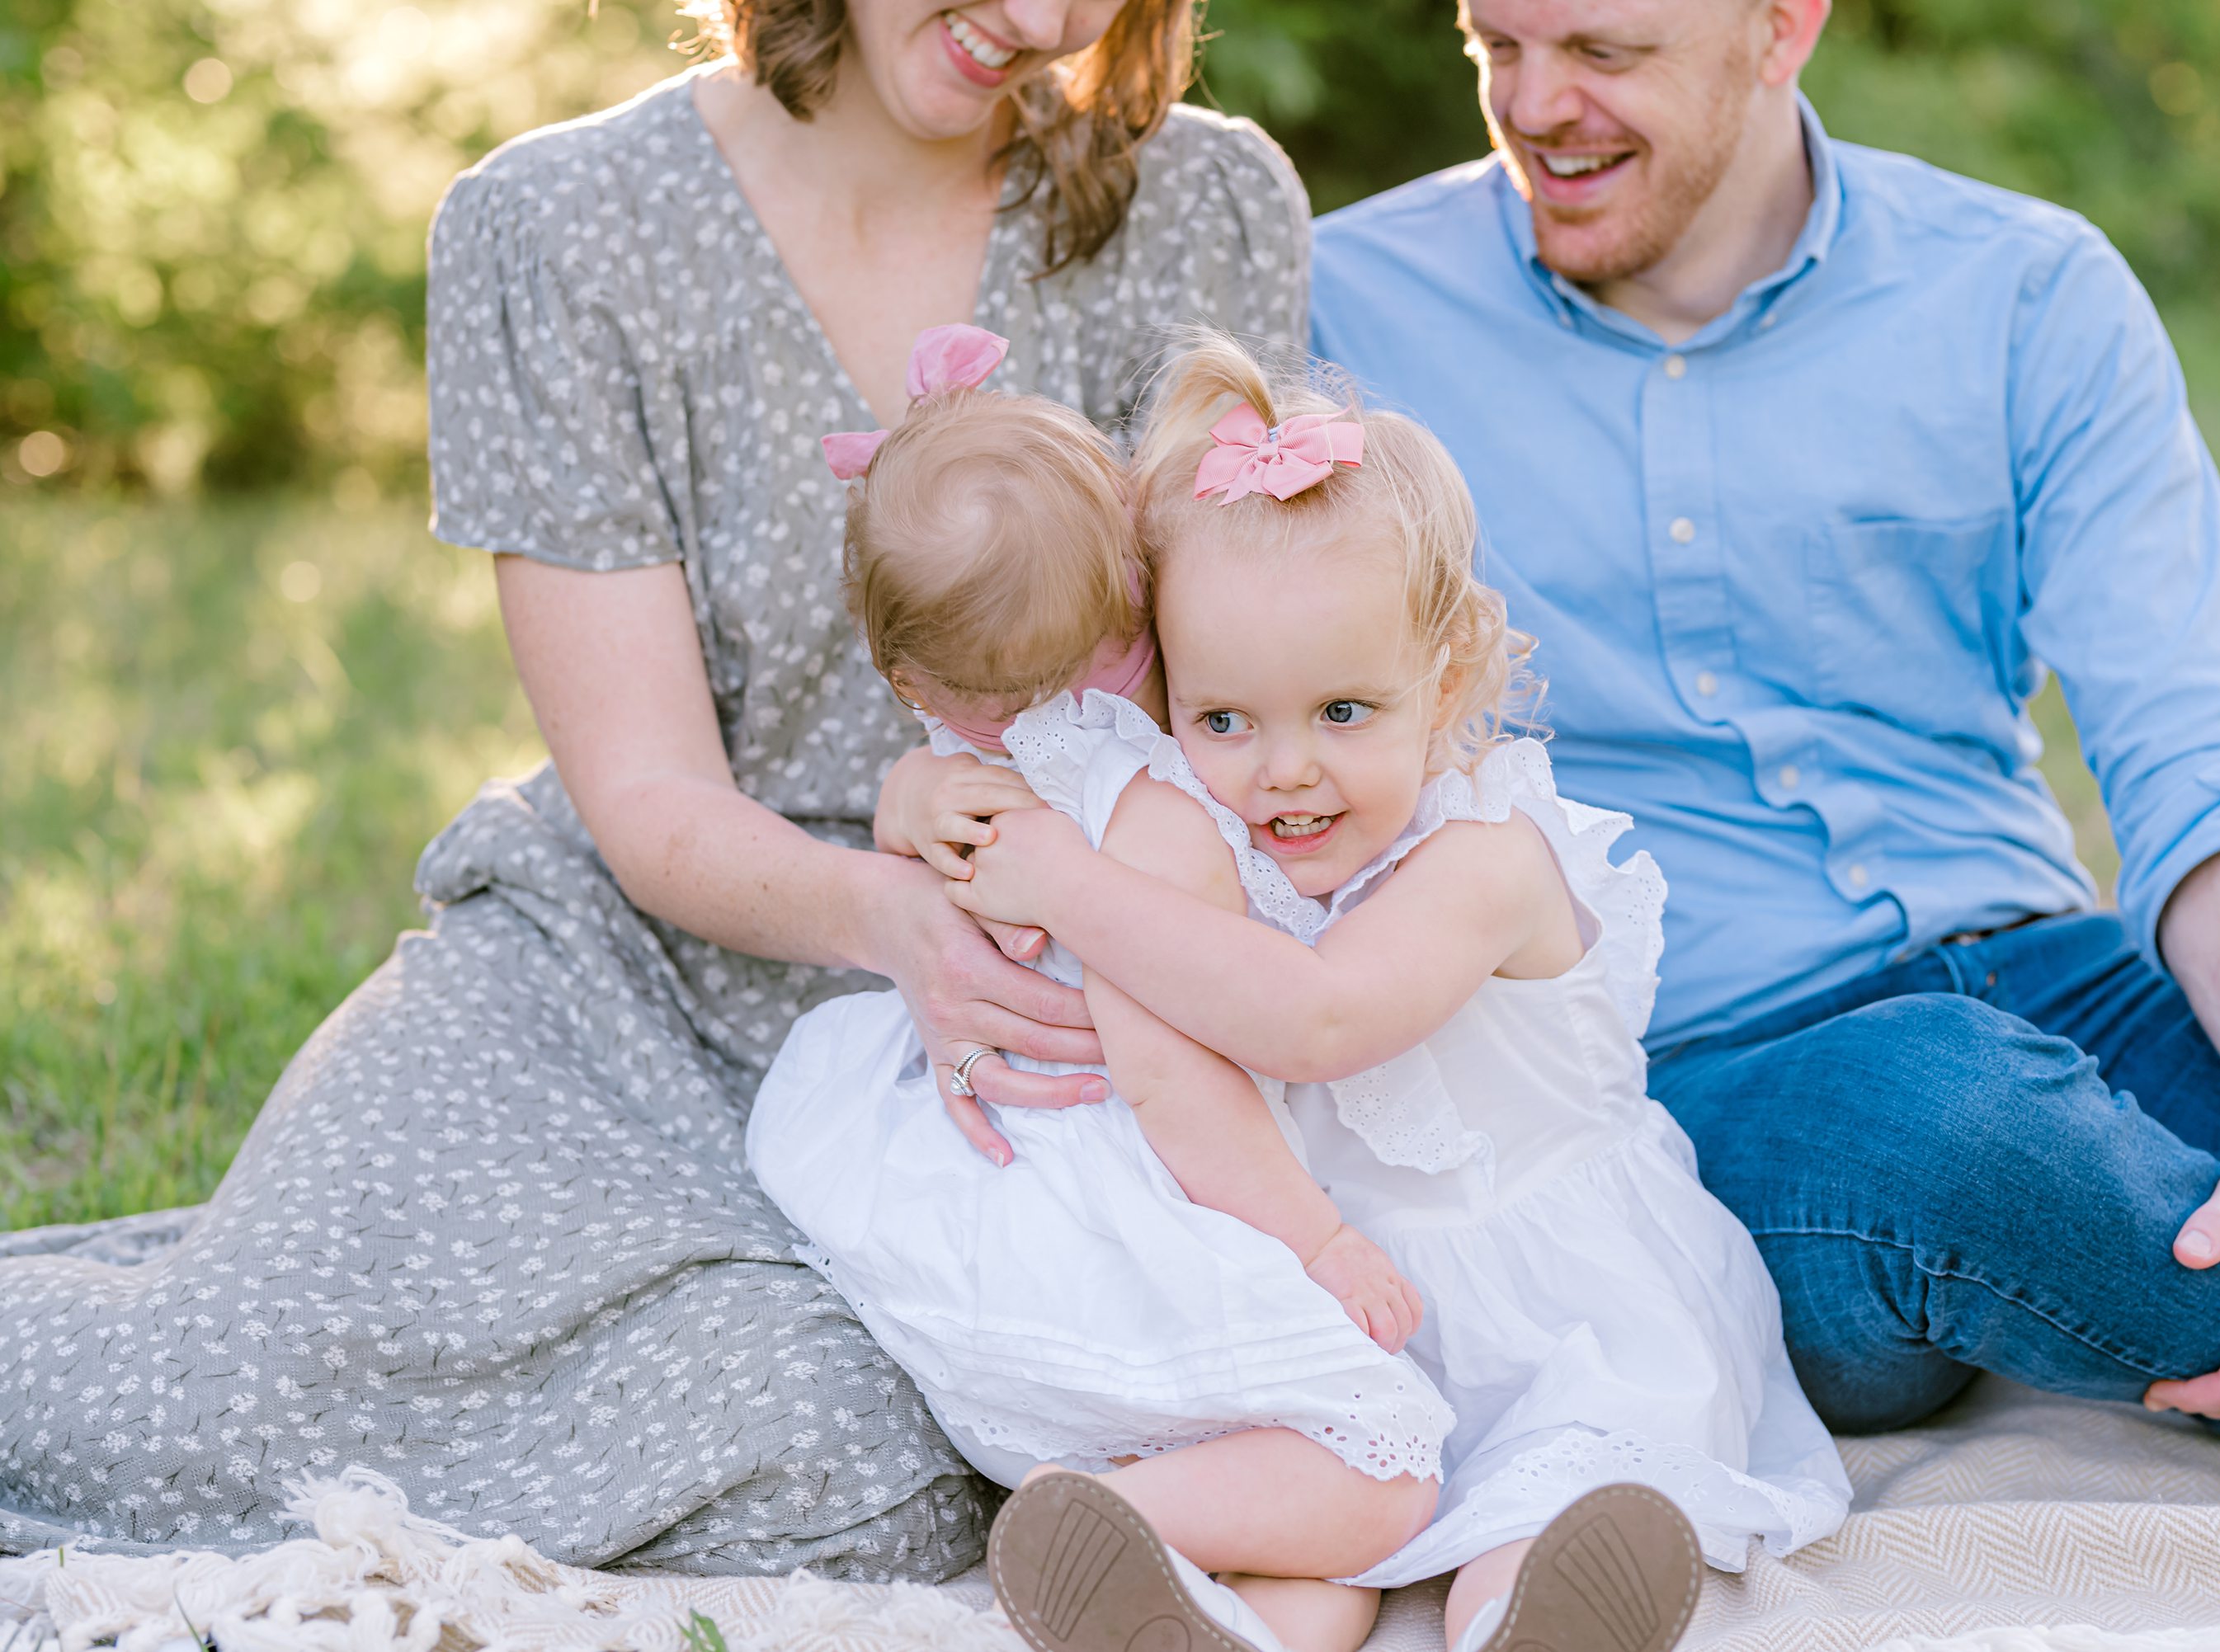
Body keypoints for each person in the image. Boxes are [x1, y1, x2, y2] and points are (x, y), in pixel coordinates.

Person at [0, 0, 1308, 1572]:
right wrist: (893, 910)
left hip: (1062, 988)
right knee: (221, 1399)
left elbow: (1263, 667)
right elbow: (646, 792)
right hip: (640, 969)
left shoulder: (1208, 204)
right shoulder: (554, 230)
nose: (1041, 25)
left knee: (848, 1455)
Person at [1305, 0, 2220, 1456]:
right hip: (1680, 1070)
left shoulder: (2024, 293)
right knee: (1949, 1121)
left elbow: (2206, 754)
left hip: (2055, 978)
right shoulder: (1337, 313)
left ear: (1782, 27)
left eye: (1605, 54)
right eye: (1498, 45)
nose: (1537, 103)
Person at [940, 334, 1849, 1652]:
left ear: (1454, 676)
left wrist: (1068, 889)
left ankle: (1528, 1621)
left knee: (1557, 1490)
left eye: (1347, 714)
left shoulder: (1487, 860)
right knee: (1326, 1544)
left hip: (1562, 1313)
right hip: (1348, 1312)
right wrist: (931, 802)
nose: (1284, 773)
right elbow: (1009, 782)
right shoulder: (1207, 824)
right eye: (1226, 720)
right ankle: (1194, 1602)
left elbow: (1319, 1019)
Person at [750, 322, 1451, 1652]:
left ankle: (1191, 1620)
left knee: (1329, 1575)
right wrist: (1318, 1244)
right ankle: (1105, 1512)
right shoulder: (1136, 804)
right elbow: (1167, 1073)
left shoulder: (965, 754)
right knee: (1389, 1472)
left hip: (967, 1193)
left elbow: (936, 818)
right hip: (1121, 1206)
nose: (1129, 675)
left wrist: (908, 794)